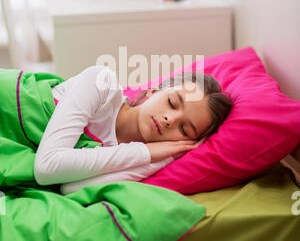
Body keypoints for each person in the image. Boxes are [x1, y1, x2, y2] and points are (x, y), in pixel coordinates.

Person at [33, 65, 233, 195]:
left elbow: (71, 189)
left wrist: (165, 158)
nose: (169, 120)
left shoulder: (131, 158)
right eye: (172, 103)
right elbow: (46, 167)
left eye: (184, 129)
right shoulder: (102, 83)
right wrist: (147, 152)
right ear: (153, 91)